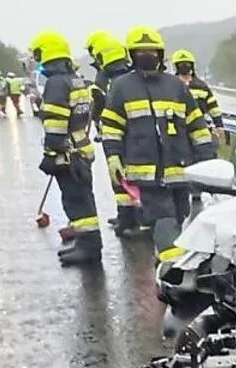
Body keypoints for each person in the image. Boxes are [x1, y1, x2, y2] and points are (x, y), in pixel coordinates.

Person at [100, 26, 214, 270]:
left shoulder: (176, 86)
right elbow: (111, 127)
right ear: (132, 55)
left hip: (180, 170)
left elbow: (196, 124)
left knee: (180, 216)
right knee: (163, 219)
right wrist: (113, 158)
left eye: (152, 51)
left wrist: (208, 158)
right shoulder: (121, 87)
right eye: (141, 52)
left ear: (161, 54)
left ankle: (166, 254)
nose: (147, 55)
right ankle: (173, 270)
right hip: (146, 172)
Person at [29, 31, 101, 265]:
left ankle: (89, 250)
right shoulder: (75, 78)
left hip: (67, 154)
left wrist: (50, 153)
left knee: (76, 200)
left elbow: (57, 123)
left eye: (37, 54)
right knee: (83, 199)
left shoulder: (57, 83)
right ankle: (87, 243)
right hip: (80, 149)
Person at [90, 36, 138, 235]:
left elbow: (99, 108)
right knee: (135, 175)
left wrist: (98, 124)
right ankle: (132, 217)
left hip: (116, 135)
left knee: (119, 176)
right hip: (136, 134)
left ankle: (128, 220)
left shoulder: (103, 79)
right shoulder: (133, 74)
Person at [171, 49, 224, 209]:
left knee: (202, 159)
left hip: (199, 129)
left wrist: (219, 126)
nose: (184, 67)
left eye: (186, 64)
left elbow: (213, 107)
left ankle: (200, 192)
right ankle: (183, 192)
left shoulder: (201, 86)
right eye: (181, 65)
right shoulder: (171, 85)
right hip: (178, 131)